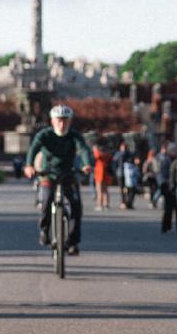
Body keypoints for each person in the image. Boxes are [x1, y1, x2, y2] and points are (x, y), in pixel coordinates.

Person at [25, 104, 93, 255]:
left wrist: (87, 164)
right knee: (46, 201)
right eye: (58, 121)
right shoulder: (44, 135)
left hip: (68, 173)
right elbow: (33, 149)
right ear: (52, 121)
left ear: (70, 121)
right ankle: (44, 230)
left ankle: (73, 241)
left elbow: (83, 149)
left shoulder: (74, 136)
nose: (62, 124)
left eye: (65, 121)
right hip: (48, 173)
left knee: (76, 206)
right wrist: (29, 165)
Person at [92, 140, 113, 211]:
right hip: (106, 175)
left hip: (99, 175)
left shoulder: (100, 155)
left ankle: (100, 205)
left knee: (99, 191)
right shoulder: (107, 155)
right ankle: (106, 204)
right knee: (105, 191)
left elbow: (96, 156)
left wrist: (95, 150)